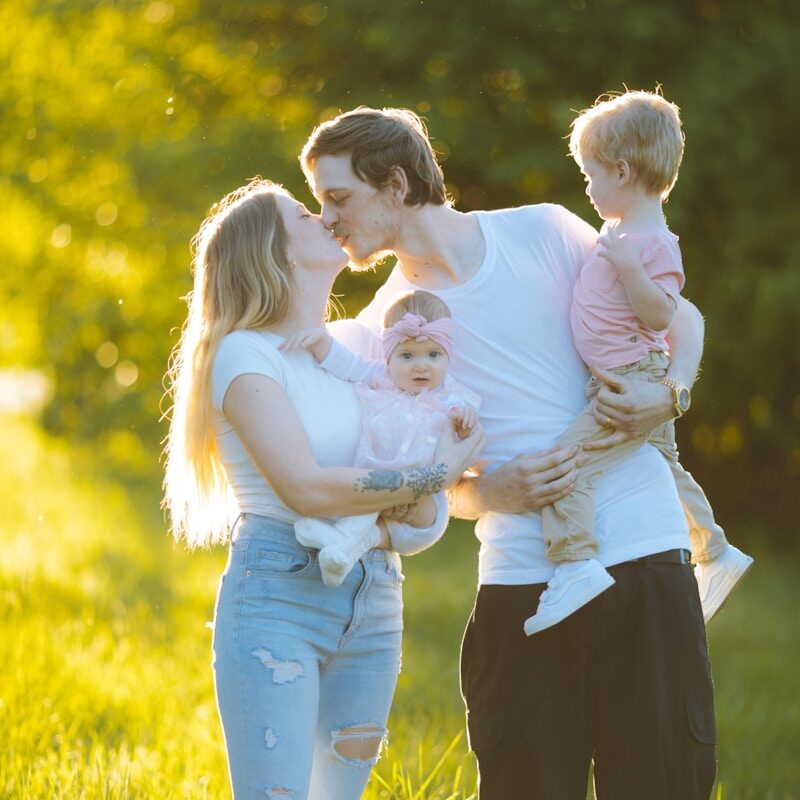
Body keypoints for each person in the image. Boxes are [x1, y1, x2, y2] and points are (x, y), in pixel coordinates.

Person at [301, 106, 717, 798]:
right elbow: (428, 487)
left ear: (396, 186)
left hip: (644, 557)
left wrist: (671, 392)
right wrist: (488, 494)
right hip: (523, 586)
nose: (328, 219)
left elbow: (680, 316)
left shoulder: (544, 232)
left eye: (339, 197)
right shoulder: (388, 328)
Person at [162, 178, 484, 799]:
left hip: (376, 595)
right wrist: (433, 476)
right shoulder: (245, 354)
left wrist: (420, 502)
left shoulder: (352, 358)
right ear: (277, 253)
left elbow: (420, 506)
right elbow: (307, 489)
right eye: (305, 215)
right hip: (280, 593)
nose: (327, 218)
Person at [524, 90, 753, 635]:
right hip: (631, 374)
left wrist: (629, 269)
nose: (588, 186)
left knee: (566, 465)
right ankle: (716, 549)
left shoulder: (652, 244)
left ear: (622, 171)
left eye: (590, 175)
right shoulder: (623, 233)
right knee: (667, 469)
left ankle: (575, 562)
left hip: (631, 381)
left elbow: (659, 317)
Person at [279, 289, 480, 587]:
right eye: (407, 355)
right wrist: (322, 343)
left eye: (433, 355)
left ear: (448, 356)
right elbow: (347, 364)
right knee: (365, 504)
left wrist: (464, 423)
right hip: (376, 488)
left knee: (403, 511)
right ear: (389, 357)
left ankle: (337, 540)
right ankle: (341, 549)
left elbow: (465, 441)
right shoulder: (381, 378)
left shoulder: (452, 398)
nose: (421, 365)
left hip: (422, 501)